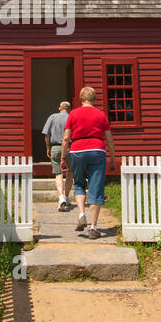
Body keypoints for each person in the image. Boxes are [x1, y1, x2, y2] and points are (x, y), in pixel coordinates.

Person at [62, 86, 116, 239]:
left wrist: (63, 158)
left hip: (77, 150)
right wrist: (112, 158)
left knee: (78, 183)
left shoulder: (73, 114)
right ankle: (93, 227)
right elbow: (109, 139)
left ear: (81, 98)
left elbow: (66, 138)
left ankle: (81, 215)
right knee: (96, 187)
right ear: (94, 99)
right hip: (97, 150)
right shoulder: (101, 115)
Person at [42, 100, 73, 211]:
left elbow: (46, 133)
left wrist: (48, 148)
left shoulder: (52, 117)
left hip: (55, 147)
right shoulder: (71, 117)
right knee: (70, 173)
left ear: (60, 108)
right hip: (69, 147)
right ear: (69, 109)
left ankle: (61, 197)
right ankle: (66, 196)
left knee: (58, 173)